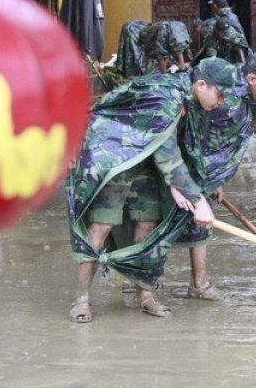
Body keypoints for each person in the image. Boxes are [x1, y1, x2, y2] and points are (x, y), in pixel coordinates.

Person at [66, 57, 238, 323]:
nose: (222, 101)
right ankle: (81, 300)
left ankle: (143, 294)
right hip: (115, 158)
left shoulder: (188, 100)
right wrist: (197, 199)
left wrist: (178, 186)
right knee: (101, 226)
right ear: (201, 85)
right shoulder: (166, 97)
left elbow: (175, 146)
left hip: (144, 159)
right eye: (220, 93)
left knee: (148, 224)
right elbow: (168, 156)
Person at [172, 50, 256, 300]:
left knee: (201, 226)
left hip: (210, 175)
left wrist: (218, 180)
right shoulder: (222, 95)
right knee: (157, 222)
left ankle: (198, 284)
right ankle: (138, 285)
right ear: (252, 79)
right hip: (187, 170)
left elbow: (237, 139)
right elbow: (189, 133)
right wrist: (179, 179)